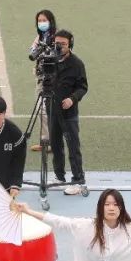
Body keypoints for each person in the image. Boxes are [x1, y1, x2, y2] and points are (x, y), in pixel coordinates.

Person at [48, 30, 88, 195]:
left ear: (70, 44)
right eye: (57, 43)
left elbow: (83, 87)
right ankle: (59, 177)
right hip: (52, 109)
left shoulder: (77, 64)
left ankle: (78, 180)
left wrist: (72, 99)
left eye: (63, 44)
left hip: (68, 113)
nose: (59, 47)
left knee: (73, 147)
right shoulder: (51, 60)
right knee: (55, 145)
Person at [28, 9, 56, 152]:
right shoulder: (39, 37)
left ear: (51, 21)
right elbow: (32, 52)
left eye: (44, 20)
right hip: (41, 77)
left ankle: (52, 142)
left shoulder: (56, 38)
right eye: (39, 21)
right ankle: (45, 142)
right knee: (41, 110)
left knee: (47, 110)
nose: (42, 23)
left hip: (53, 79)